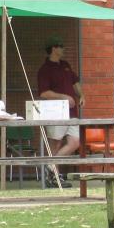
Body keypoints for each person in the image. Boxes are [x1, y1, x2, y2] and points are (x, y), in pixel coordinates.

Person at [37, 36, 85, 187]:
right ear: (53, 49)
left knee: (75, 141)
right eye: (61, 46)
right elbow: (44, 93)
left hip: (72, 112)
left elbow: (75, 83)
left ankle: (49, 165)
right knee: (56, 143)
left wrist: (81, 95)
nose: (63, 49)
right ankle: (55, 179)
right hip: (56, 113)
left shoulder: (66, 65)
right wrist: (63, 97)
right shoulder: (44, 70)